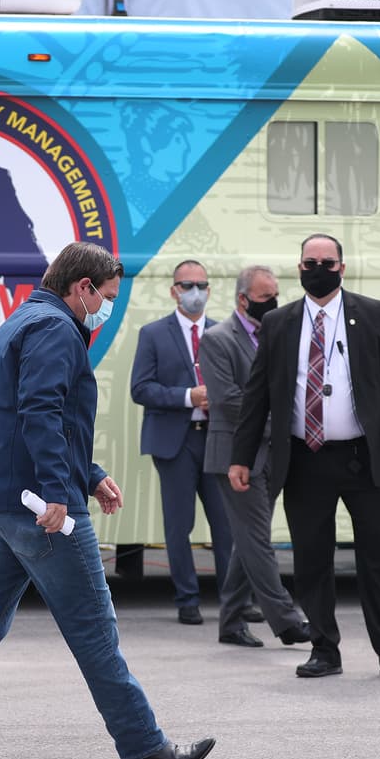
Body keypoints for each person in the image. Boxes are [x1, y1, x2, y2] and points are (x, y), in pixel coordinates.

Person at [0, 241, 215, 759]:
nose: (105, 309)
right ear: (81, 287)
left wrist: (88, 471)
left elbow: (21, 419)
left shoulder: (15, 323)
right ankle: (144, 747)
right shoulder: (58, 329)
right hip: (40, 511)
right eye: (105, 297)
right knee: (94, 631)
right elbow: (41, 412)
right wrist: (63, 490)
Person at [229, 234, 380, 679]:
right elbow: (257, 395)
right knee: (312, 560)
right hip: (305, 460)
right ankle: (324, 650)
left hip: (365, 458)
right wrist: (241, 456)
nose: (317, 268)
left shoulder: (373, 314)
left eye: (327, 261)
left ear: (342, 267)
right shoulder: (280, 323)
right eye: (309, 262)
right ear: (298, 267)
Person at [200, 265, 311, 648]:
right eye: (266, 298)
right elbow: (227, 401)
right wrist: (279, 425)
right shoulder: (217, 339)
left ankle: (231, 623)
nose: (274, 303)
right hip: (235, 456)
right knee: (258, 540)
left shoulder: (278, 335)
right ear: (242, 299)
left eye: (276, 295)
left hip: (273, 456)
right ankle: (286, 620)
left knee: (248, 540)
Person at [129, 259, 238, 626]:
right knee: (179, 525)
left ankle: (234, 599)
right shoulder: (153, 333)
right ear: (173, 290)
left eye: (202, 285)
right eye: (187, 285)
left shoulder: (225, 331)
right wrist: (188, 396)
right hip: (175, 443)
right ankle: (187, 599)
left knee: (227, 525)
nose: (196, 292)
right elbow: (140, 388)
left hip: (216, 439)